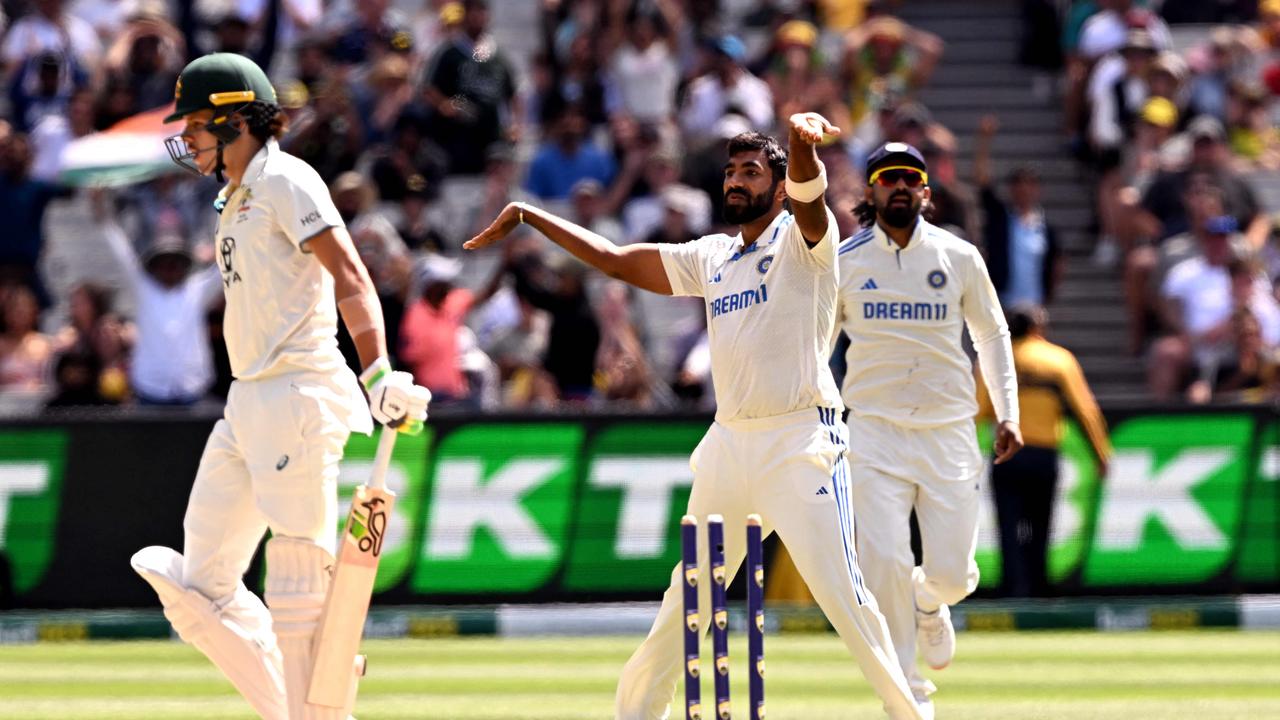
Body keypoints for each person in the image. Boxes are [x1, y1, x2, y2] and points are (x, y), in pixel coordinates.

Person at [467, 114, 926, 720]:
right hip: (730, 443)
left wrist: (799, 146)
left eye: (752, 172)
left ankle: (912, 713)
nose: (736, 181)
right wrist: (531, 215)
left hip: (800, 441)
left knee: (846, 599)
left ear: (779, 186)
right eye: (732, 171)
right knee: (689, 596)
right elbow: (615, 258)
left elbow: (814, 201)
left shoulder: (804, 243)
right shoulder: (712, 254)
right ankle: (636, 714)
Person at [128, 53, 429, 720]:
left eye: (199, 126)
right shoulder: (233, 201)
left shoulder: (289, 180)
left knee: (296, 583)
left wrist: (376, 367)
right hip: (247, 400)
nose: (190, 140)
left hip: (299, 391)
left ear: (234, 120)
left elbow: (349, 274)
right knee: (198, 589)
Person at [836, 141, 1023, 717]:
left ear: (926, 192)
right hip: (873, 430)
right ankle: (909, 698)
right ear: (870, 191)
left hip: (948, 430)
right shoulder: (843, 260)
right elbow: (818, 345)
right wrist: (816, 417)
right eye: (887, 178)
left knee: (952, 575)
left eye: (909, 179)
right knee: (883, 561)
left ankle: (929, 600)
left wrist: (1008, 413)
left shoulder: (958, 255)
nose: (898, 187)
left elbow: (992, 335)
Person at [977, 305, 1111, 597]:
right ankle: (1038, 588)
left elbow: (978, 411)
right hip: (1043, 455)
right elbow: (1085, 411)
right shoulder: (1058, 360)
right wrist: (1101, 454)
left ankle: (1014, 589)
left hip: (1005, 455)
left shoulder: (995, 360)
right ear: (1039, 327)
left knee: (1009, 527)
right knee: (1040, 525)